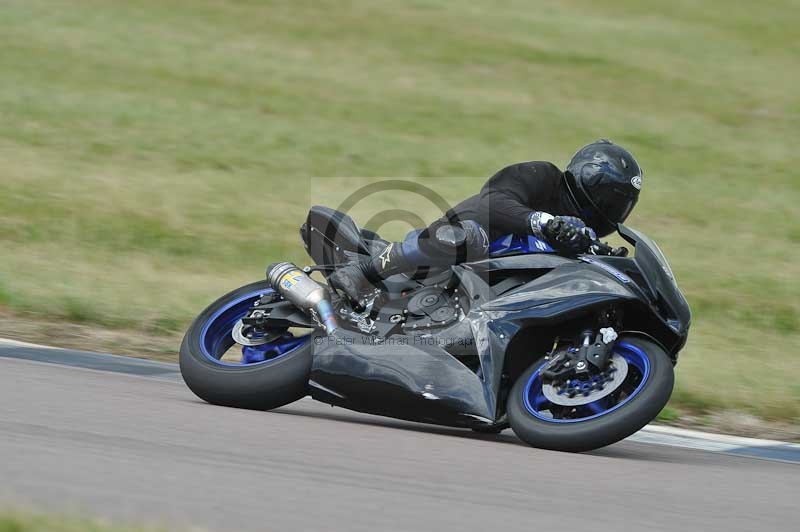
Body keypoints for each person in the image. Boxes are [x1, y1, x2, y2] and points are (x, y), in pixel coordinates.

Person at [328, 139, 643, 304]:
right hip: (453, 249)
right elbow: (493, 200)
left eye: (618, 206)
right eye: (608, 198)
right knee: (468, 237)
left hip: (489, 288)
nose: (609, 210)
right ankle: (365, 270)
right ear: (589, 178)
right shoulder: (545, 177)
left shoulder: (583, 236)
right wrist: (544, 222)